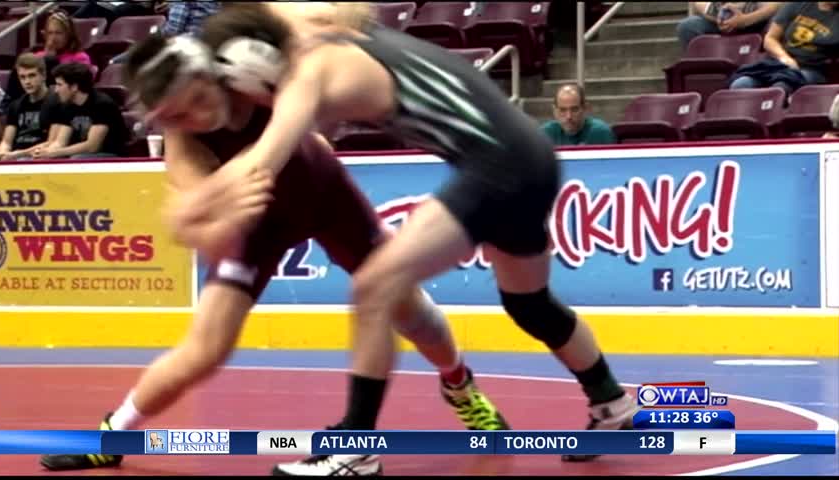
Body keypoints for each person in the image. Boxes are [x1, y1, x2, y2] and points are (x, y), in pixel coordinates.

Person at [183, 4, 638, 475]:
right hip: (532, 157)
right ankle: (612, 403)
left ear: (257, 66)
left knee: (375, 285)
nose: (254, 106)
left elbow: (262, 164)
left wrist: (190, 204)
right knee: (530, 304)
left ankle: (355, 448)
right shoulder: (339, 38)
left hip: (498, 167)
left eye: (246, 93)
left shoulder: (309, 73)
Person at [38, 32, 508, 473]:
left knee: (406, 305)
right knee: (205, 348)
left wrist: (220, 189)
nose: (197, 119)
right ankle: (114, 435)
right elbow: (190, 215)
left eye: (200, 101)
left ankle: (460, 385)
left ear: (213, 75)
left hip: (323, 191)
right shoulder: (184, 135)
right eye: (178, 116)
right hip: (257, 222)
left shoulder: (255, 76)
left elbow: (312, 106)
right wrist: (217, 215)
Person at [730, 2, 839, 96]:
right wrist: (784, 58)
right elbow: (770, 39)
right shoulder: (797, 5)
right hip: (777, 64)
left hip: (810, 69)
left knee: (781, 86)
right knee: (740, 84)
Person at [34, 62, 128, 159]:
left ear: (74, 87)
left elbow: (93, 146)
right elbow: (61, 142)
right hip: (81, 155)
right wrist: (46, 152)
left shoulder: (102, 105)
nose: (56, 90)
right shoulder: (67, 105)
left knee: (76, 159)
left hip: (110, 156)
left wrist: (55, 153)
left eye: (59, 85)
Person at [0, 54, 63, 160]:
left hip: (41, 157)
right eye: (22, 77)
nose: (27, 82)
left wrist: (17, 154)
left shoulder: (57, 101)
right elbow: (6, 141)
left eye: (32, 75)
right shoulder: (16, 105)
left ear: (44, 76)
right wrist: (3, 152)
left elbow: (52, 142)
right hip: (16, 158)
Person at [540, 84, 617, 146]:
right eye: (562, 110)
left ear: (585, 108)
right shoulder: (546, 134)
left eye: (574, 109)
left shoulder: (601, 133)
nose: (568, 116)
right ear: (554, 110)